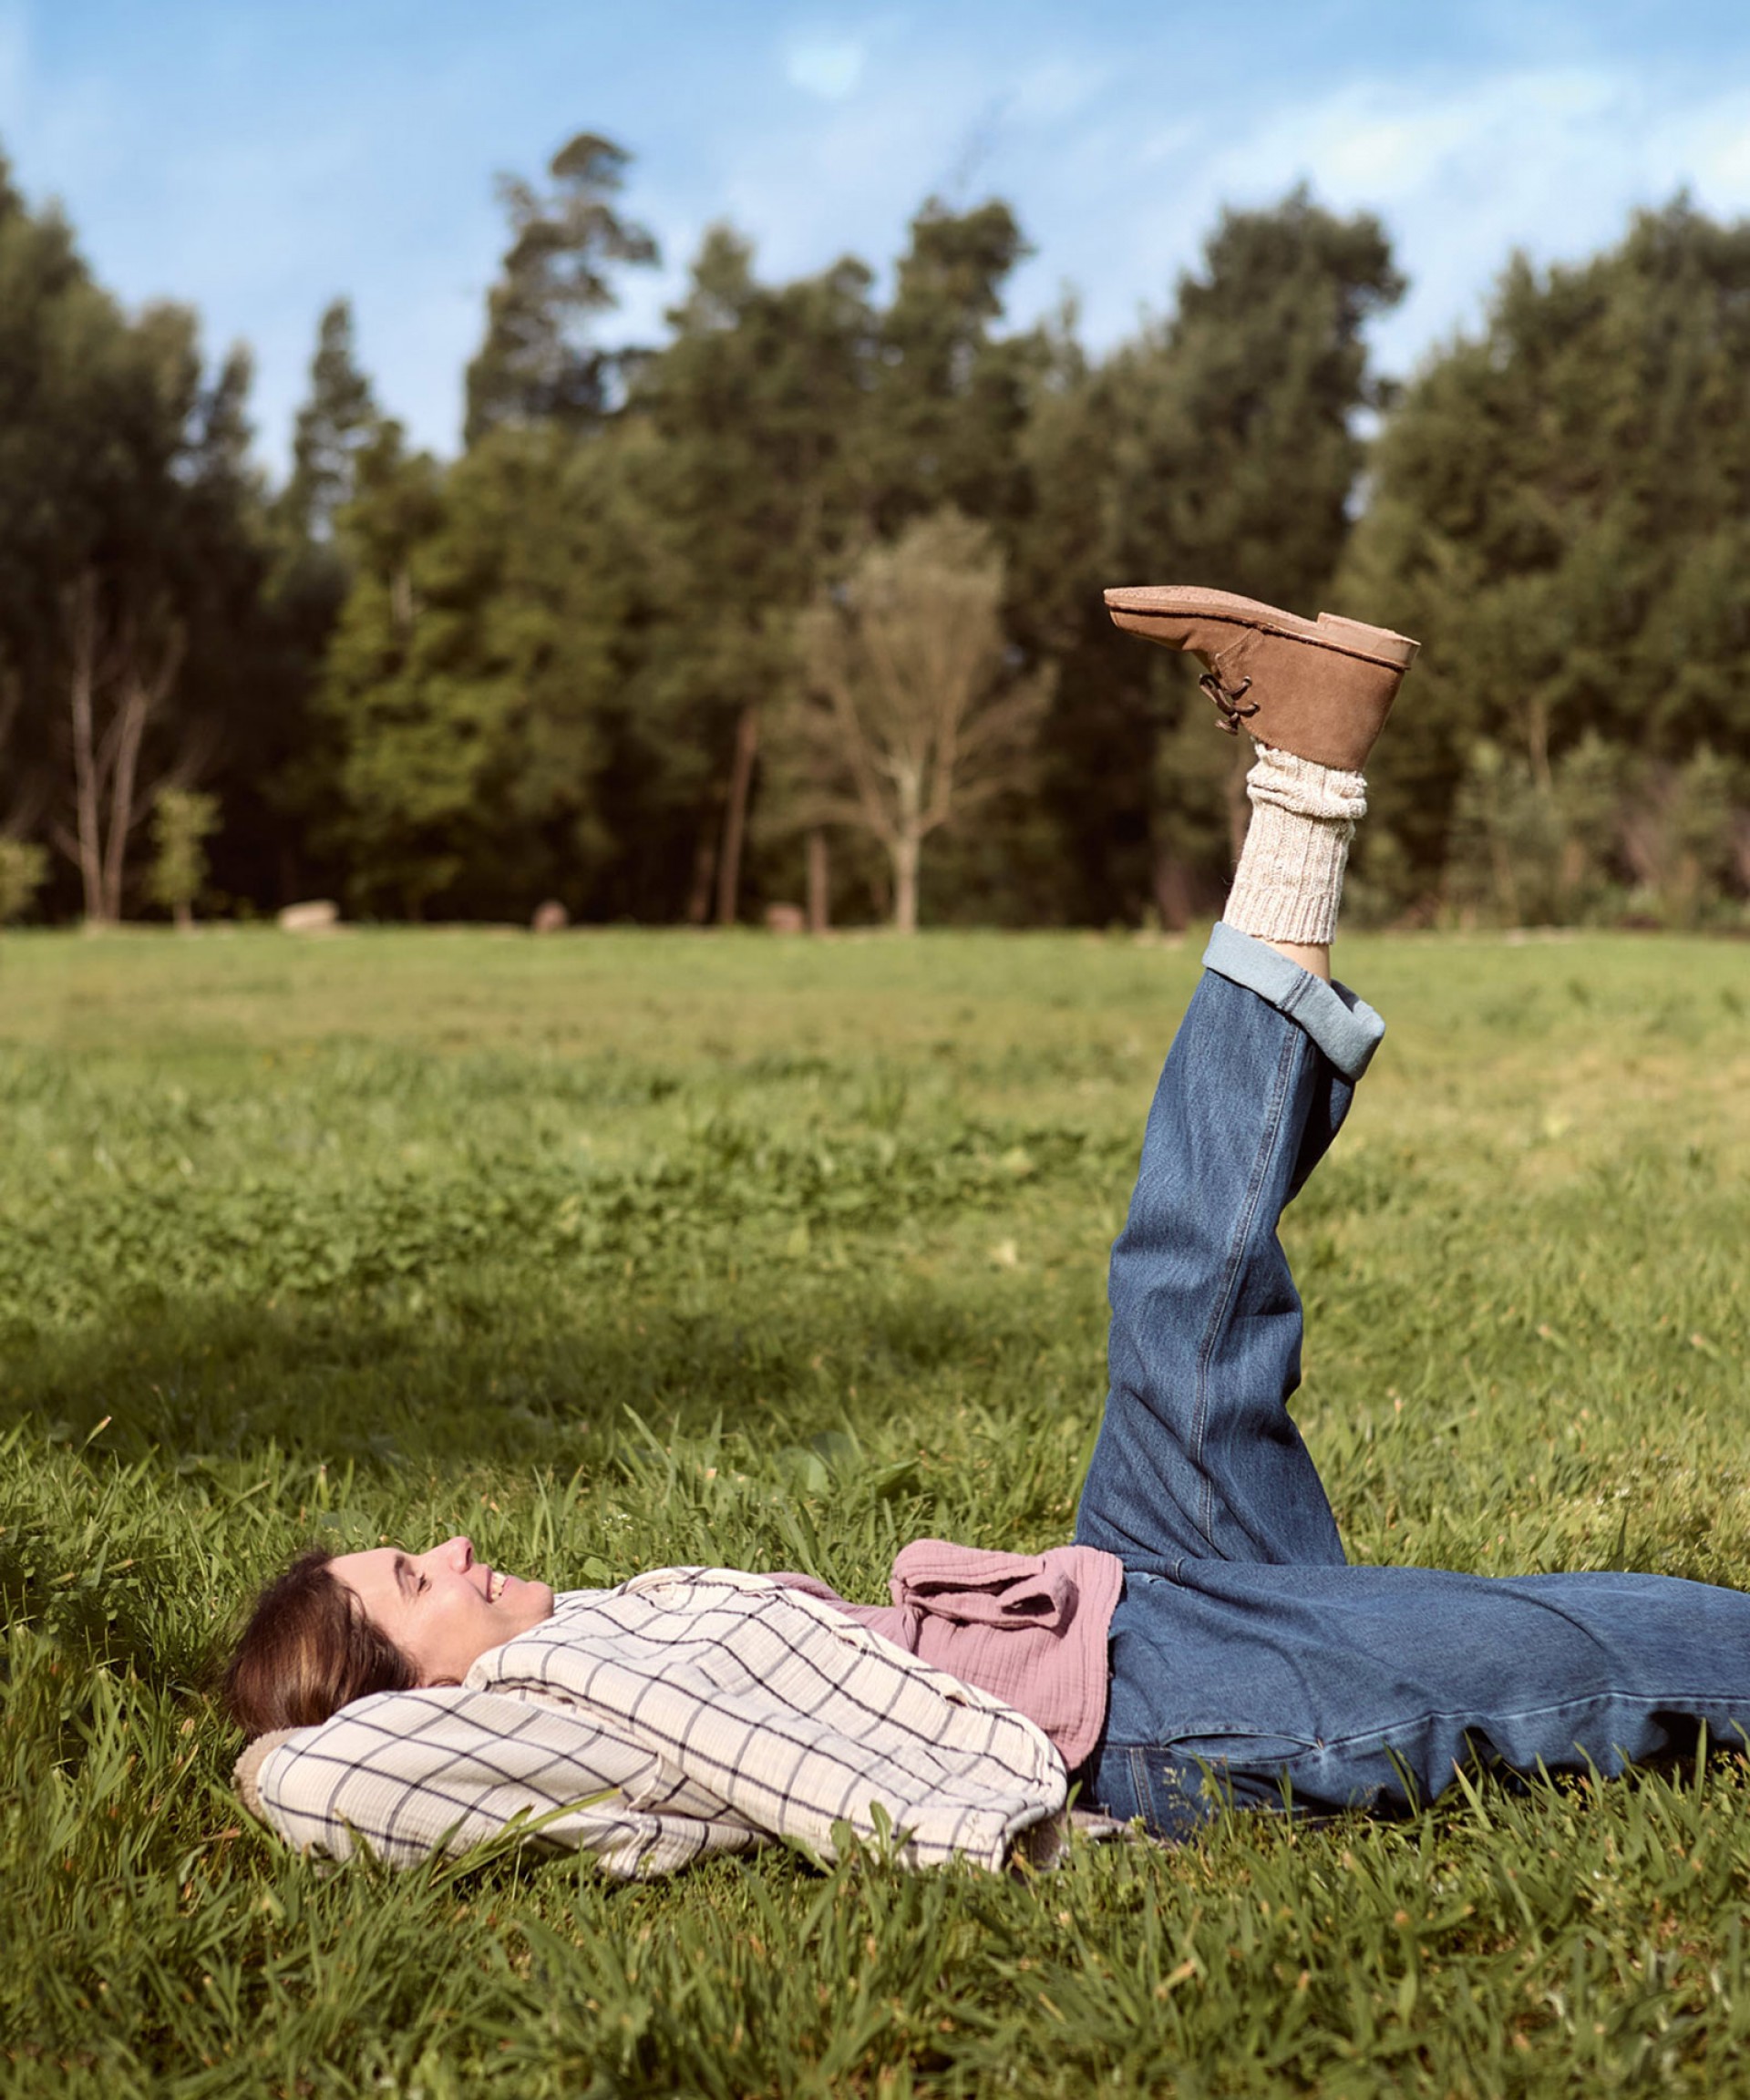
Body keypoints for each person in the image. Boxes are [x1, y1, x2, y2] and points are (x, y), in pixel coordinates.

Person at [226, 586, 1750, 1875]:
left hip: (1104, 1594)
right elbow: (316, 1783)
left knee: (1177, 1288)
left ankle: (1308, 773)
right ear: (394, 1697)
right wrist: (1027, 1842)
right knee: (1562, 1649)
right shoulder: (527, 1733)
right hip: (1151, 1714)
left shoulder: (576, 1666)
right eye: (412, 1584)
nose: (456, 1546)